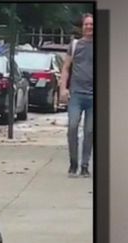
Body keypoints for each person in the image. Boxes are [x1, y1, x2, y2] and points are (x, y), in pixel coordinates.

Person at [60, 13, 93, 177]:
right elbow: (66, 68)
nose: (89, 27)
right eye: (86, 24)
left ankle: (85, 165)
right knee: (72, 127)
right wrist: (63, 89)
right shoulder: (74, 45)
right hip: (76, 94)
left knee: (89, 131)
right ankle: (73, 163)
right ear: (82, 26)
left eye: (92, 24)